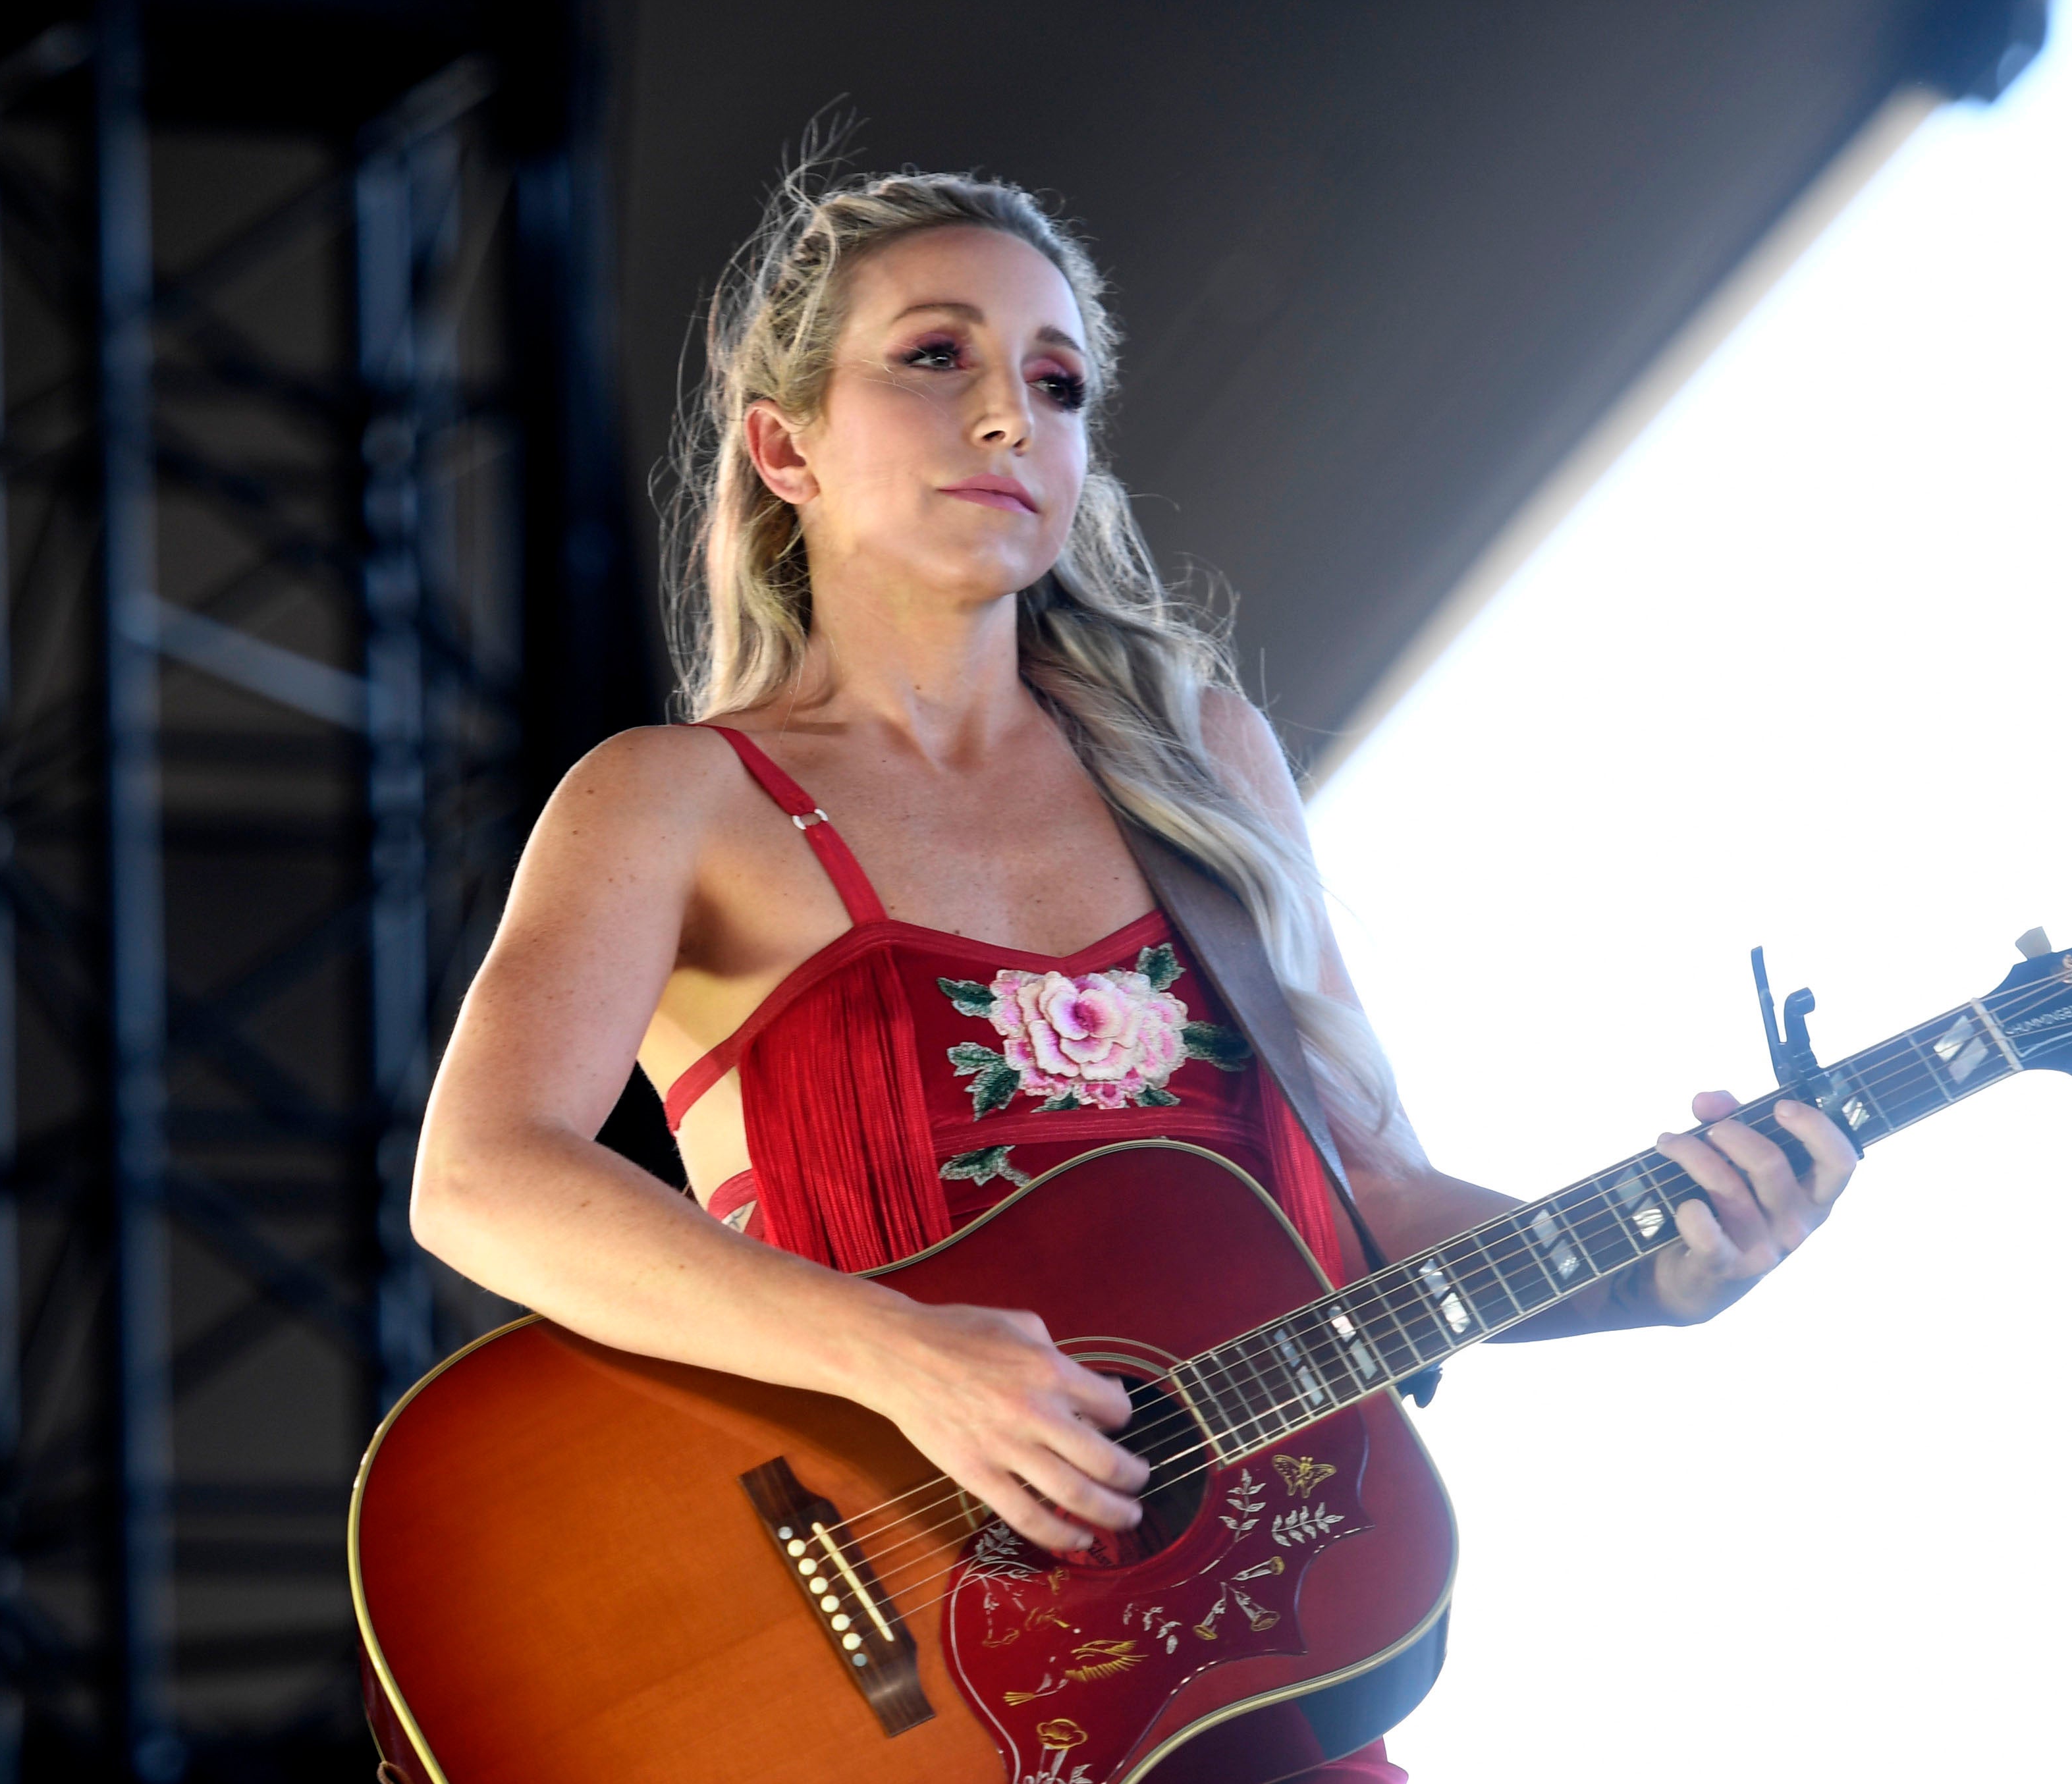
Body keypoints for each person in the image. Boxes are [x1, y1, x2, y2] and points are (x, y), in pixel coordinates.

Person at [409, 171, 1858, 1782]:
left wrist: (1658, 1272)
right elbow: (481, 1177)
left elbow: (1368, 1198)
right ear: (783, 446)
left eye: (1057, 381)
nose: (1007, 419)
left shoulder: (1203, 766)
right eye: (935, 358)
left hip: (1225, 1684)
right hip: (874, 1705)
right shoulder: (676, 798)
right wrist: (905, 1360)